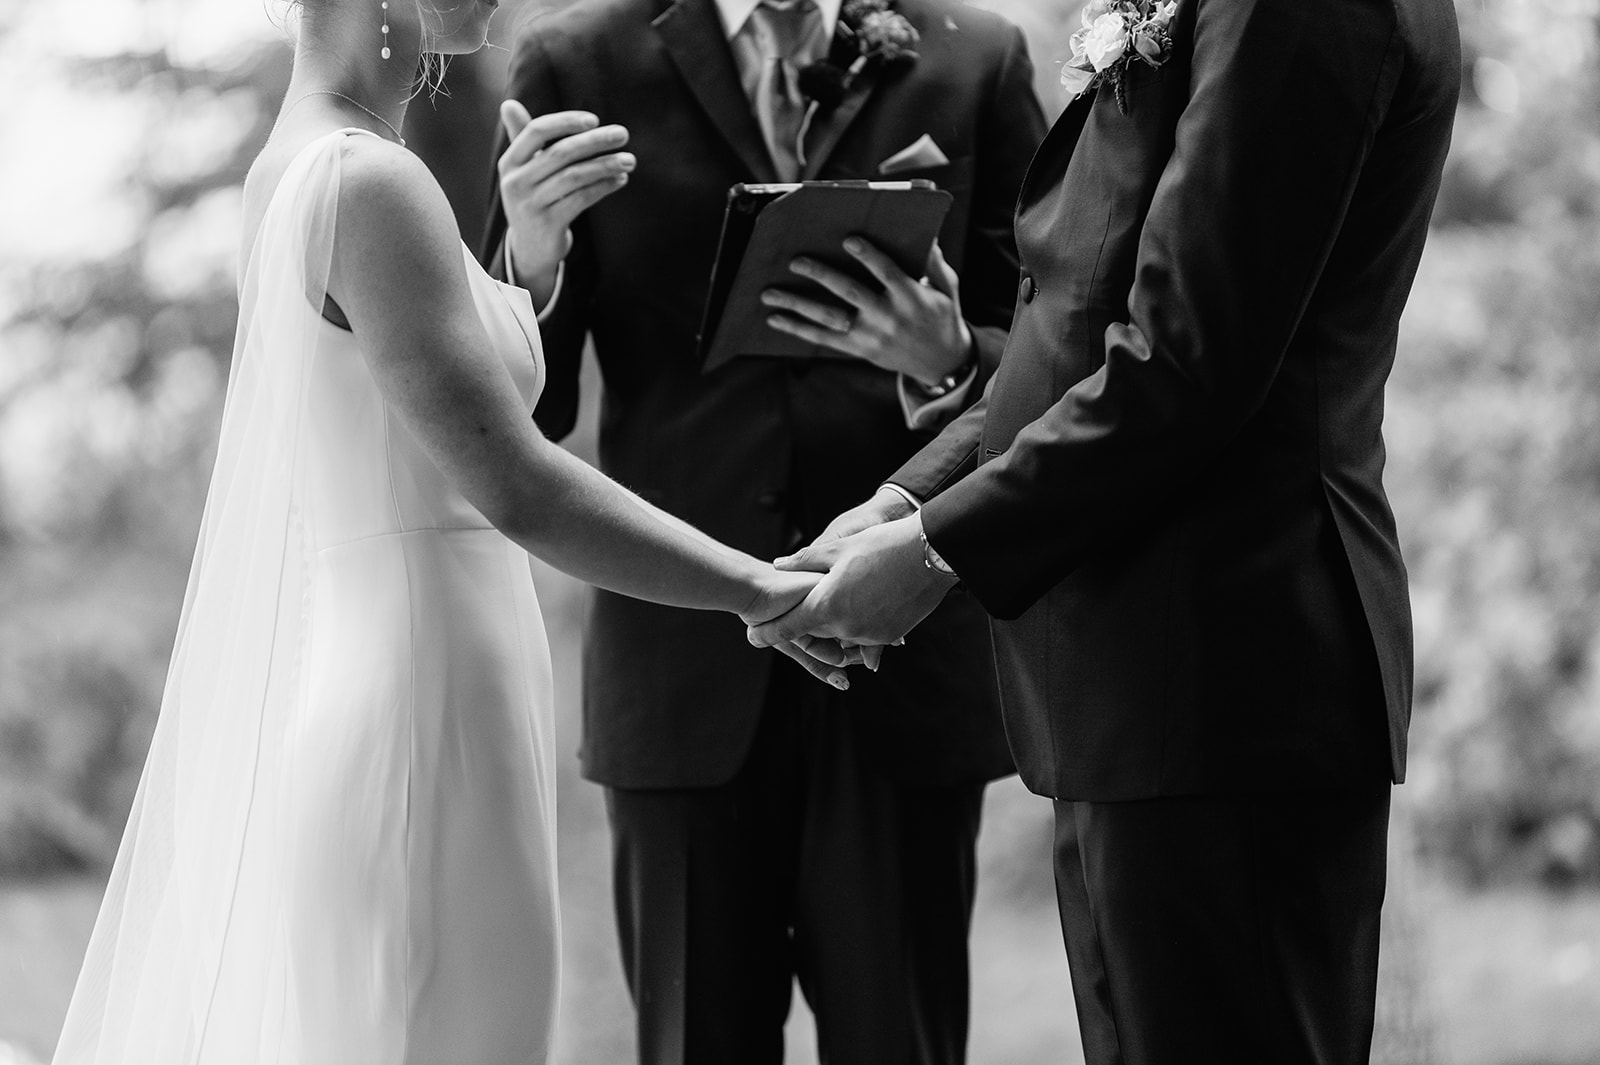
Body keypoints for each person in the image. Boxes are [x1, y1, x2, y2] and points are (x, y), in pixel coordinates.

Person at [48, 0, 858, 1060]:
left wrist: (526, 259)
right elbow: (515, 484)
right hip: (421, 704)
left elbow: (425, 406)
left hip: (432, 671)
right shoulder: (367, 182)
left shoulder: (311, 167)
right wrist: (762, 591)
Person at [750, 0, 1463, 1062]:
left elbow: (1184, 359)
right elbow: (1077, 320)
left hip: (1227, 677)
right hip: (1133, 685)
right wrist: (906, 503)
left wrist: (942, 553)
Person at [480, 1, 1045, 1062]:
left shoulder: (977, 57)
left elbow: (1055, 344)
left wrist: (951, 353)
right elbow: (521, 416)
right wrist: (534, 263)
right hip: (681, 666)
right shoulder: (578, 58)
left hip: (900, 655)